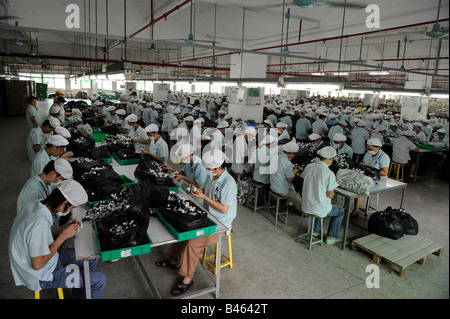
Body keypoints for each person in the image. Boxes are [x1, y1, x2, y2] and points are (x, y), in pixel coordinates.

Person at [156, 150, 237, 296]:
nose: (207, 171)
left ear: (218, 167)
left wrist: (204, 197)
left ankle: (188, 278)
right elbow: (203, 189)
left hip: (221, 224)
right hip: (207, 215)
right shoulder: (211, 176)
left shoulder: (228, 183)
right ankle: (174, 260)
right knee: (182, 228)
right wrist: (196, 190)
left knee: (194, 242)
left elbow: (224, 209)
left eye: (209, 169)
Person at [9, 180, 105, 299]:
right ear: (65, 202)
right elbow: (37, 265)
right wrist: (62, 236)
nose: (69, 211)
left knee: (91, 258)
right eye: (71, 207)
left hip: (44, 256)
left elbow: (40, 234)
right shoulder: (39, 223)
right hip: (41, 274)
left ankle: (79, 295)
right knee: (99, 279)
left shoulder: (36, 204)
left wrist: (62, 228)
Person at [301, 146, 344, 245]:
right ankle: (331, 237)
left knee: (322, 203)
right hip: (317, 207)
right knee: (340, 211)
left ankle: (316, 231)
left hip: (306, 204)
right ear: (329, 159)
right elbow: (330, 195)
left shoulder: (309, 166)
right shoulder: (329, 173)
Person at [348, 138, 390, 218]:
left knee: (360, 185)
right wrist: (362, 164)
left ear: (378, 147)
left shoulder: (384, 157)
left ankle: (355, 211)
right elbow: (364, 162)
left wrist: (371, 170)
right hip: (366, 175)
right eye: (368, 148)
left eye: (371, 149)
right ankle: (346, 206)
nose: (369, 150)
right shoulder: (368, 153)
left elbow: (384, 173)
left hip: (377, 179)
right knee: (350, 180)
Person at [269, 141, 302, 213]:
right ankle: (303, 211)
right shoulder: (287, 163)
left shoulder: (275, 157)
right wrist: (295, 171)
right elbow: (290, 179)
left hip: (273, 186)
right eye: (294, 154)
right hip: (280, 190)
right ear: (291, 153)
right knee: (295, 194)